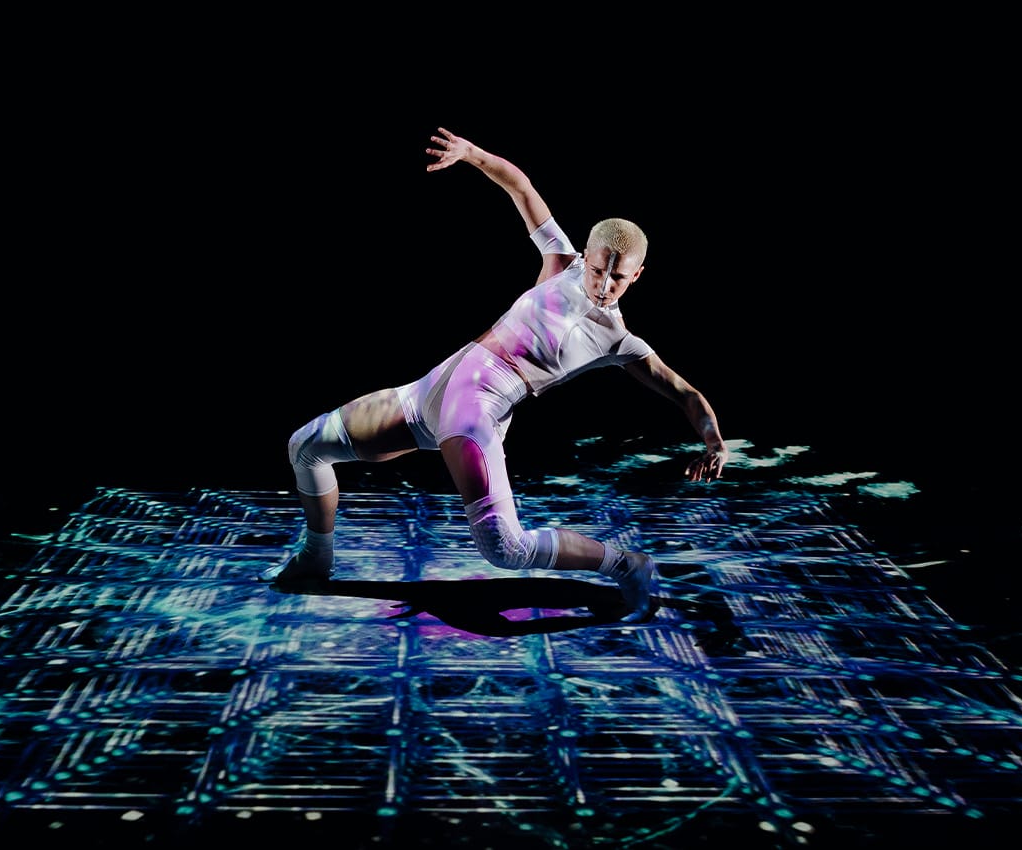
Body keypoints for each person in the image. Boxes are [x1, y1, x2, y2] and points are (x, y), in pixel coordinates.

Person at [262, 127, 728, 623]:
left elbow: (684, 391)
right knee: (306, 445)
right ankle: (317, 557)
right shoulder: (560, 263)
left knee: (504, 548)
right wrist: (471, 154)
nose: (605, 284)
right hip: (429, 394)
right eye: (598, 270)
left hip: (473, 415)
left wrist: (714, 439)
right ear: (585, 258)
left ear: (638, 274)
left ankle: (628, 565)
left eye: (618, 277)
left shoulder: (618, 342)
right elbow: (522, 189)